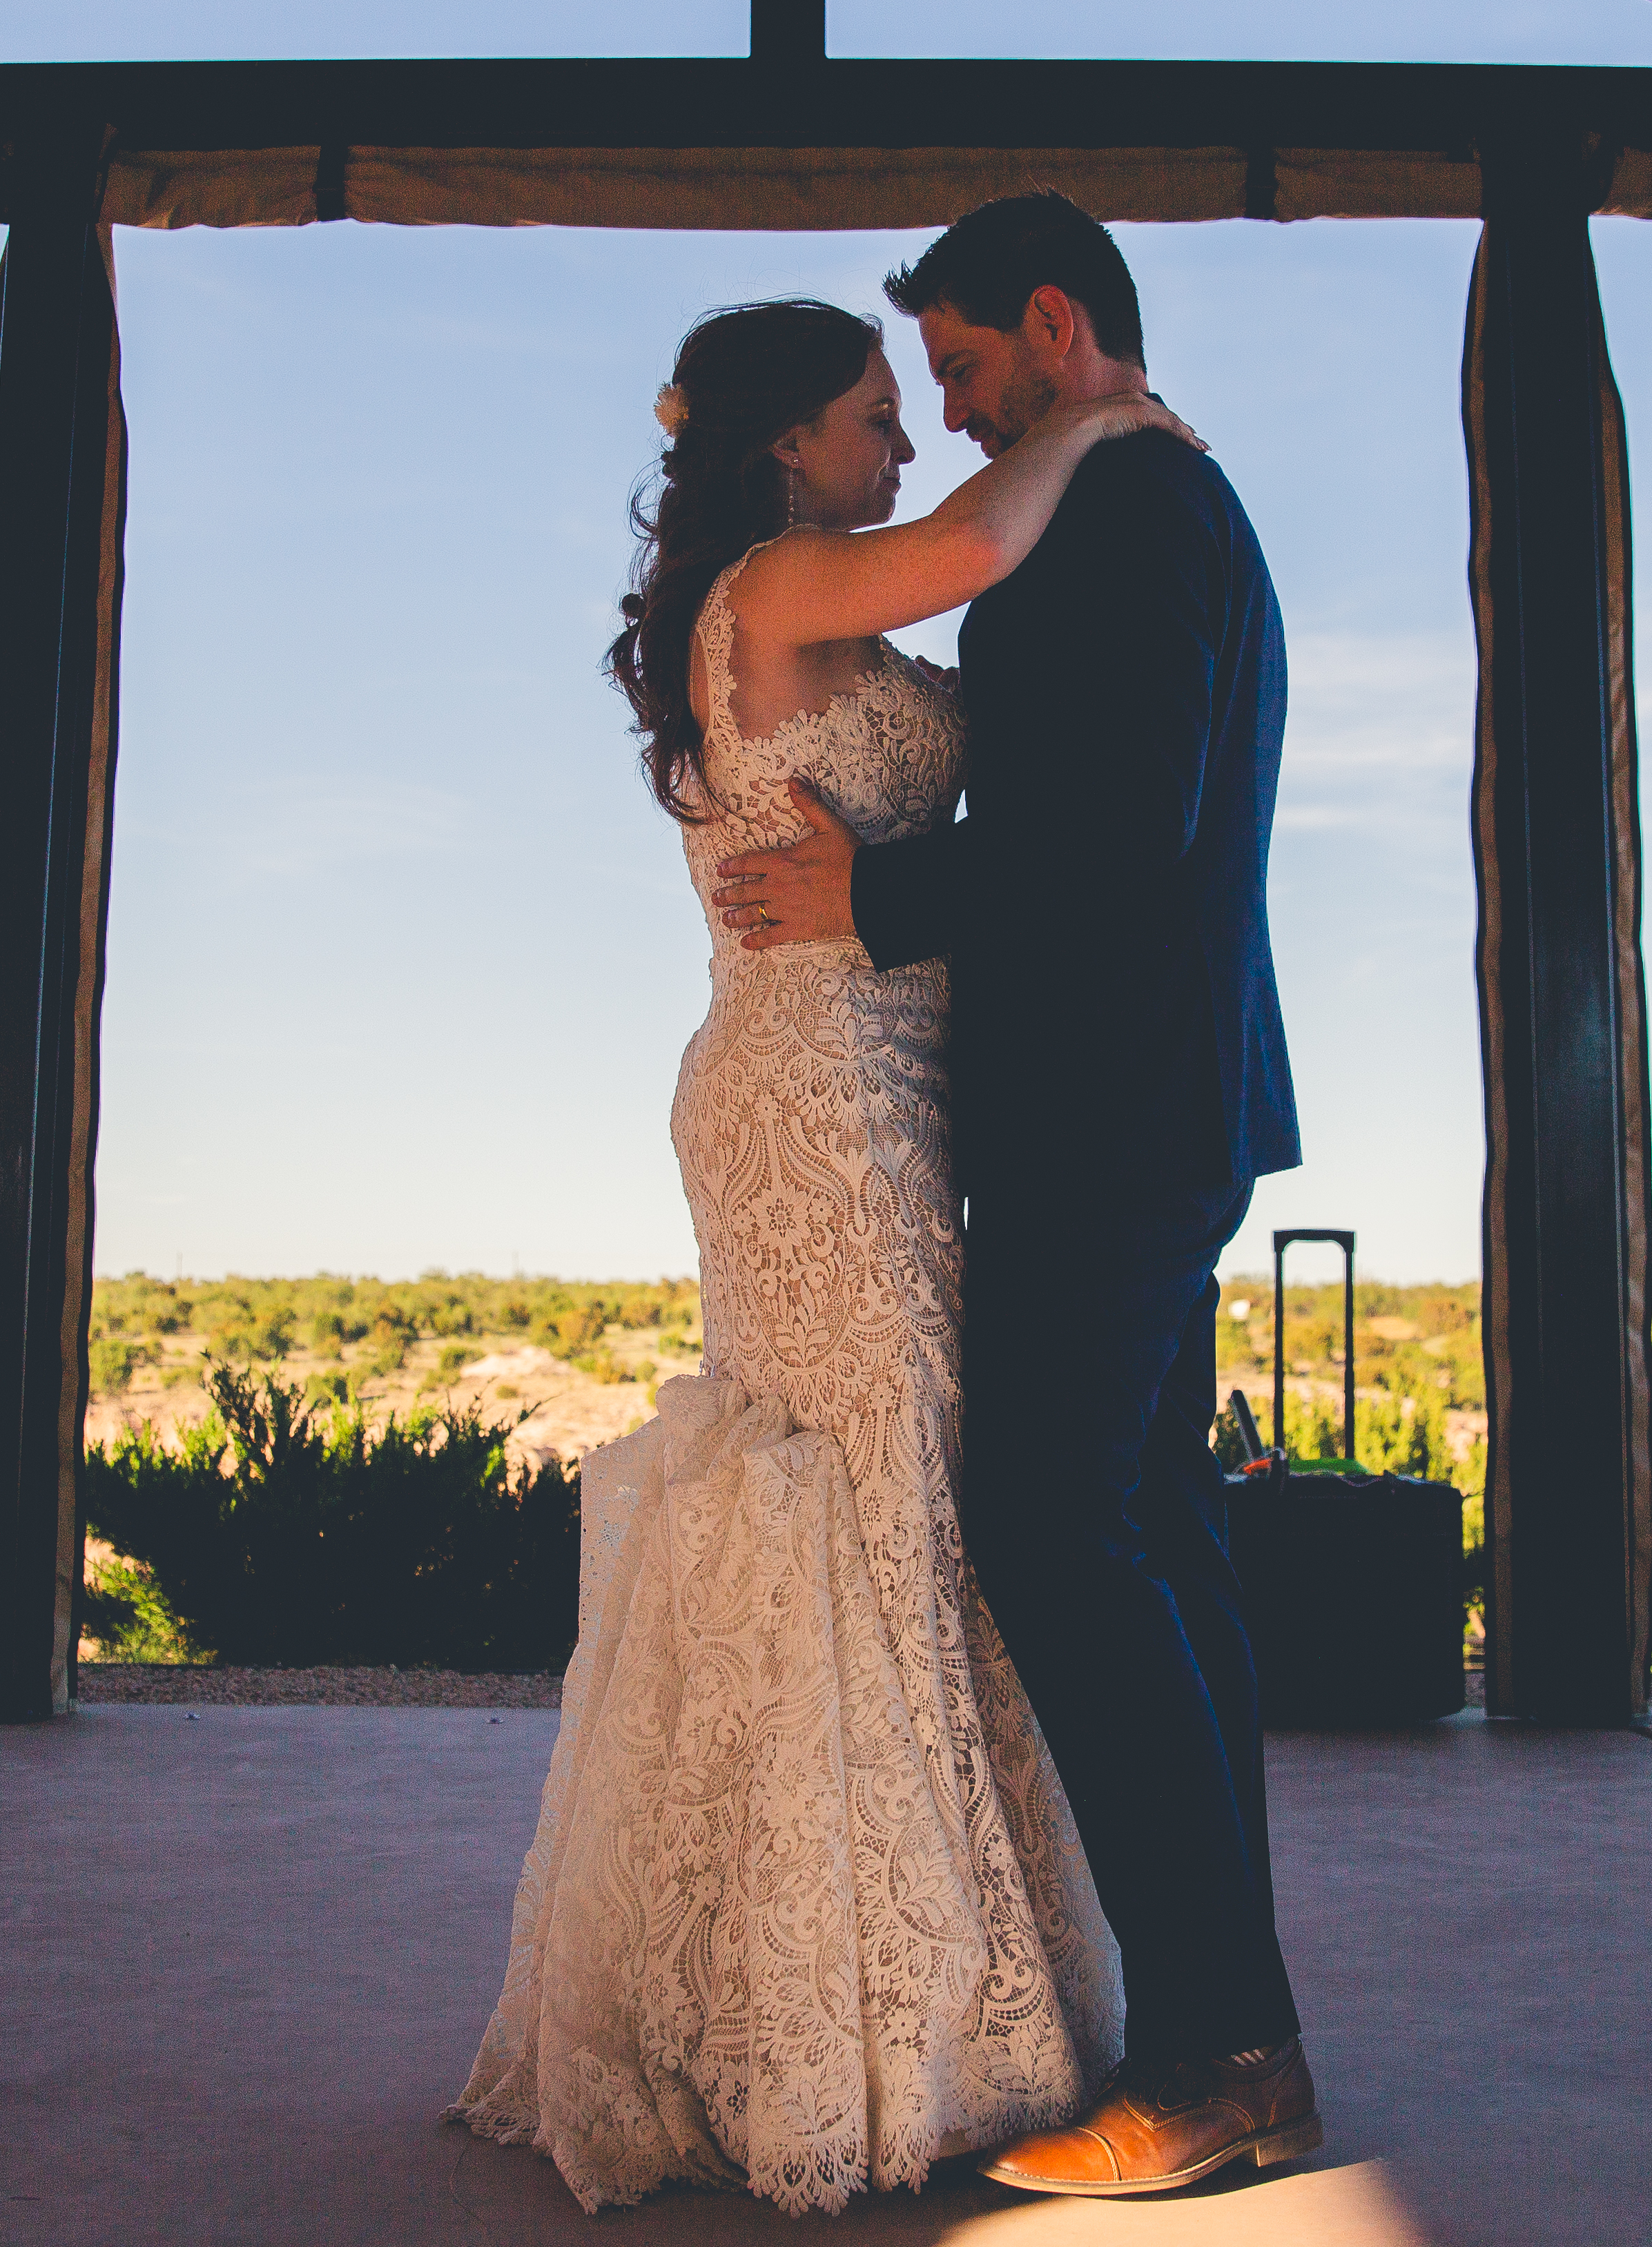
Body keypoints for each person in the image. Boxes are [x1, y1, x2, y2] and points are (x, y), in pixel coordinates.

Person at [453, 292, 1207, 2214]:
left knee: (898, 1500)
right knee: (881, 1493)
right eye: (881, 412)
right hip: (817, 1096)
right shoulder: (782, 576)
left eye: (921, 407)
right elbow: (976, 542)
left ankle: (859, 1978)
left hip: (875, 1077)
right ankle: (844, 2014)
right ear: (792, 442)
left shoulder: (814, 605)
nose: (911, 443)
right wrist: (1104, 423)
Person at [706, 192, 1314, 2199]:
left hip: (1105, 1106)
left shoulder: (1127, 516)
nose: (956, 421)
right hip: (1157, 1094)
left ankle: (1217, 2053)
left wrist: (877, 893)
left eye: (962, 371)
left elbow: (1104, 824)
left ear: (1054, 325)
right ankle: (1242, 2037)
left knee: (1055, 1532)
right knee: (1152, 1536)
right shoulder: (1155, 498)